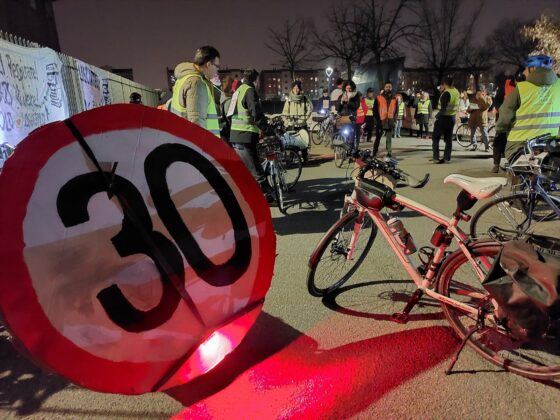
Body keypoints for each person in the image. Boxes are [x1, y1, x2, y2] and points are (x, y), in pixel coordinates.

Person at [493, 55, 560, 173]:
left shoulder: (522, 88)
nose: (524, 71)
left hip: (520, 145)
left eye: (526, 68)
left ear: (533, 68)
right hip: (550, 144)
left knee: (519, 176)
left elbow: (505, 114)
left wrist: (501, 129)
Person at [229, 68, 270, 196]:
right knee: (257, 172)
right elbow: (256, 114)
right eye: (258, 80)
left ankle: (251, 198)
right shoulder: (249, 90)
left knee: (247, 172)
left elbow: (230, 113)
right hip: (245, 136)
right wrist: (267, 129)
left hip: (236, 136)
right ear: (255, 80)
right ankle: (266, 199)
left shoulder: (238, 90)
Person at [170, 45, 221, 136]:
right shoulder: (196, 83)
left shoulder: (183, 79)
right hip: (203, 145)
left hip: (183, 139)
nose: (217, 70)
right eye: (217, 66)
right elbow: (197, 124)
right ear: (208, 64)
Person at [432, 76, 459, 163]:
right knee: (448, 139)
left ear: (445, 84)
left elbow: (443, 108)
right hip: (452, 118)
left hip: (443, 118)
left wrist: (436, 116)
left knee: (436, 138)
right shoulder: (456, 91)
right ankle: (447, 158)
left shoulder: (446, 93)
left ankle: (436, 158)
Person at [373, 81, 397, 157]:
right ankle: (374, 152)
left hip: (390, 121)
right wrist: (377, 121)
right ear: (384, 88)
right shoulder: (378, 98)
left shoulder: (395, 98)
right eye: (387, 87)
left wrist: (394, 120)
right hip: (381, 121)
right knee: (378, 139)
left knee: (389, 139)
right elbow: (375, 110)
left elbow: (396, 110)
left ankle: (389, 153)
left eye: (389, 87)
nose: (388, 88)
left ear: (391, 87)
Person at [336, 80, 362, 150]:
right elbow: (337, 108)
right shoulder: (341, 96)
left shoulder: (356, 96)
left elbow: (356, 106)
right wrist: (341, 102)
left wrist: (348, 101)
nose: (349, 90)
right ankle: (342, 148)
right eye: (347, 88)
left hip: (352, 119)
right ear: (345, 88)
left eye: (350, 88)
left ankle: (351, 150)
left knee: (351, 136)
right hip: (343, 119)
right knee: (342, 134)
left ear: (352, 88)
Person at [467, 85, 493, 151]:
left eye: (480, 92)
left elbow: (487, 105)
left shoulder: (488, 98)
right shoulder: (474, 98)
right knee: (472, 133)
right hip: (473, 118)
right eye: (477, 92)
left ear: (484, 92)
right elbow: (469, 107)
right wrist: (469, 109)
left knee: (484, 133)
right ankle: (474, 145)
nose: (478, 94)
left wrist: (481, 98)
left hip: (482, 119)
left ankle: (487, 147)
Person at [219, 75, 235, 142]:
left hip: (224, 133)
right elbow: (229, 118)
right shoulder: (228, 101)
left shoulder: (223, 97)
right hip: (228, 135)